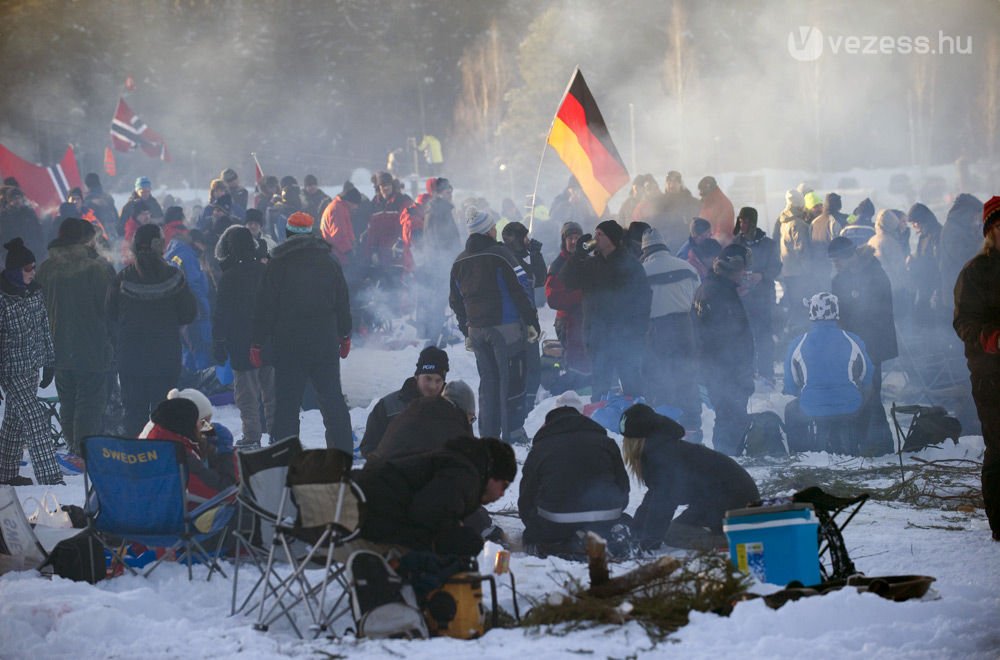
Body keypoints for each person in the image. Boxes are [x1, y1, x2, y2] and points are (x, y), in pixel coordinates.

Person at [251, 211, 353, 454]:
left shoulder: (277, 264)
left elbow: (265, 307)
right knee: (332, 400)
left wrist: (256, 342)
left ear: (287, 234)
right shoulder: (329, 261)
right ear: (311, 233)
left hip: (289, 346)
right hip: (324, 343)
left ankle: (283, 456)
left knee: (286, 404)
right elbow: (342, 302)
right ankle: (342, 454)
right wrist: (345, 334)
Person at [449, 210, 539, 445]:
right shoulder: (501, 254)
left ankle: (488, 435)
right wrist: (532, 321)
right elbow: (521, 289)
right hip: (506, 328)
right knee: (513, 380)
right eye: (493, 227)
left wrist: (465, 328)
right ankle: (514, 434)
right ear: (489, 230)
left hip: (477, 331)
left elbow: (455, 300)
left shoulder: (459, 261)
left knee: (488, 383)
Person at [346, 437, 516, 558]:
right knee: (465, 543)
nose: (502, 494)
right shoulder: (465, 475)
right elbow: (426, 513)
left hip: (347, 510)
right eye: (504, 486)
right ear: (492, 476)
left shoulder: (454, 463)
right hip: (366, 521)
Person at [620, 403, 760, 550]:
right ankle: (725, 533)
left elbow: (663, 503)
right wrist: (636, 531)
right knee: (675, 530)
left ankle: (732, 540)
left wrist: (647, 543)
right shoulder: (661, 449)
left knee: (675, 534)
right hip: (716, 501)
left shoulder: (664, 456)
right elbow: (654, 497)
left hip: (734, 503)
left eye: (627, 439)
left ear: (637, 440)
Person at [108, 224, 197, 436]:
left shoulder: (122, 279)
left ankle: (135, 461)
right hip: (165, 357)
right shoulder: (175, 277)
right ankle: (160, 458)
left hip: (131, 357)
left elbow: (110, 314)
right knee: (164, 413)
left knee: (133, 412)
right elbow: (189, 314)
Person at [35, 218, 114, 456]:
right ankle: (83, 450)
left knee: (68, 400)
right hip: (92, 346)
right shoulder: (96, 268)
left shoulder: (46, 268)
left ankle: (72, 447)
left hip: (57, 346)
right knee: (89, 402)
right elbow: (110, 309)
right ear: (83, 239)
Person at [519, 406, 630, 557]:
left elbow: (526, 497)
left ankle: (564, 545)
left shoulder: (540, 449)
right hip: (605, 520)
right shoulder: (606, 443)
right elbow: (623, 486)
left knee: (537, 534)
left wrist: (534, 526)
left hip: (555, 524)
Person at [559, 219, 652, 401]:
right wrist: (578, 255)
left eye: (600, 234)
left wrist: (639, 331)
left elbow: (643, 299)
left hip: (625, 337)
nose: (595, 238)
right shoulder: (591, 264)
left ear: (612, 239)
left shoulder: (630, 265)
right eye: (595, 234)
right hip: (598, 337)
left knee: (631, 385)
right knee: (600, 388)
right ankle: (601, 423)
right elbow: (566, 281)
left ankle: (636, 420)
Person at [952, 195, 1000, 541]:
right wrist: (992, 339)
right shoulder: (975, 272)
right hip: (991, 373)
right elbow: (963, 323)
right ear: (991, 231)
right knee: (999, 445)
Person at [828, 237, 897, 455]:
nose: (835, 264)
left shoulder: (874, 271)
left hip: (872, 343)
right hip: (851, 344)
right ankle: (863, 440)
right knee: (857, 391)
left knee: (871, 392)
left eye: (837, 259)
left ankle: (880, 444)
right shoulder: (839, 279)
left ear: (850, 256)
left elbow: (882, 306)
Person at [0, 238, 61, 485]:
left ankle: (6, 472)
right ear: (15, 271)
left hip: (32, 366)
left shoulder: (35, 292)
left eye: (34, 267)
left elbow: (43, 328)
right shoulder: (3, 299)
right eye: (28, 269)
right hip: (11, 370)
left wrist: (49, 361)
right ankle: (50, 476)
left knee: (14, 421)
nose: (33, 272)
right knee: (35, 418)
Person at [783, 292, 874, 454]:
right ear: (836, 313)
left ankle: (799, 453)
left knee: (791, 410)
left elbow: (791, 384)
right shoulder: (853, 339)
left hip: (811, 407)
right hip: (850, 405)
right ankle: (860, 445)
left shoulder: (798, 343)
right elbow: (867, 375)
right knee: (868, 401)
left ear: (811, 313)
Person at [213, 225, 275, 449]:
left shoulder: (229, 277)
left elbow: (221, 314)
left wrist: (218, 342)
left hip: (241, 344)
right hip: (269, 341)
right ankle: (278, 434)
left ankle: (252, 436)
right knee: (272, 393)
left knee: (247, 395)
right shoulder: (265, 271)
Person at [691, 245, 753, 456]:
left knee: (727, 416)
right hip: (726, 371)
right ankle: (728, 459)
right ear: (732, 268)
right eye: (743, 268)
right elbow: (727, 339)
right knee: (731, 417)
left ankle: (727, 458)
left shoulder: (711, 288)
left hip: (717, 369)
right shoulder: (719, 294)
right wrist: (742, 374)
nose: (746, 274)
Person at [639, 228, 701, 436]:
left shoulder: (641, 272)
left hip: (654, 330)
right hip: (684, 327)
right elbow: (696, 296)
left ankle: (663, 424)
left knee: (658, 376)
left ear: (645, 250)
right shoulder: (687, 268)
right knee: (687, 374)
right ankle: (692, 423)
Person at [140, 396, 236, 508]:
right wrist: (225, 453)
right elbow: (228, 494)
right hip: (177, 519)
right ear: (188, 422)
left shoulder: (153, 436)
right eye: (203, 423)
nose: (208, 428)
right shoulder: (179, 455)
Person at [360, 346, 450, 458]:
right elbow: (369, 446)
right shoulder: (388, 407)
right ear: (417, 376)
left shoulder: (452, 409)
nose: (432, 386)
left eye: (438, 381)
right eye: (428, 378)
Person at [367, 380, 475, 464]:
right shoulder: (447, 427)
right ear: (460, 411)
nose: (470, 424)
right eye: (471, 419)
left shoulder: (419, 411)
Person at [733, 206, 782, 383]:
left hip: (763, 296)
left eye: (745, 221)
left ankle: (766, 373)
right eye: (740, 221)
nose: (742, 224)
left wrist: (761, 276)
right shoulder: (735, 244)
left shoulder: (768, 244)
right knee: (745, 336)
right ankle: (748, 372)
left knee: (764, 335)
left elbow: (776, 266)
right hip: (742, 297)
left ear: (752, 222)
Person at [501, 221, 547, 407]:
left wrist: (536, 255)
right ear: (515, 240)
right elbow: (534, 279)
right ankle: (521, 407)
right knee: (524, 368)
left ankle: (525, 404)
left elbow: (539, 279)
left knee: (530, 367)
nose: (528, 241)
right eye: (524, 238)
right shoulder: (509, 263)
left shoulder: (514, 260)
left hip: (524, 322)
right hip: (518, 324)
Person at [163, 207, 213, 373]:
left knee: (187, 350)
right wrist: (205, 309)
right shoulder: (189, 256)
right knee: (200, 349)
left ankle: (188, 383)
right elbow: (194, 284)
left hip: (176, 311)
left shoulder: (171, 252)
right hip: (194, 312)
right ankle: (201, 385)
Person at [545, 221, 590, 382]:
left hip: (587, 320)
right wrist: (582, 295)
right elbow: (553, 299)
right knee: (576, 366)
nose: (573, 242)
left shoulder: (588, 260)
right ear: (564, 241)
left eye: (577, 237)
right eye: (570, 238)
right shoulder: (558, 266)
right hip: (568, 323)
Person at [940, 193, 984, 310]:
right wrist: (983, 243)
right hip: (959, 292)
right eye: (976, 216)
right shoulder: (953, 231)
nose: (978, 220)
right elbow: (965, 258)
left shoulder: (962, 228)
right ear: (968, 214)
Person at [906, 202, 944, 323]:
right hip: (925, 286)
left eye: (915, 222)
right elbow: (923, 255)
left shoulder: (937, 236)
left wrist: (936, 291)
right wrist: (913, 258)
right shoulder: (925, 235)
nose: (914, 226)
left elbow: (938, 264)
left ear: (923, 221)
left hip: (933, 288)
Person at [0, 186, 44, 262]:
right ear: (9, 200)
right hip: (13, 253)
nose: (17, 200)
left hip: (31, 250)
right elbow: (3, 236)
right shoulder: (4, 216)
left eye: (18, 198)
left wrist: (39, 248)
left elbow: (37, 231)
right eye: (14, 198)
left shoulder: (29, 213)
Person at [320, 184, 359, 267]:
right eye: (356, 204)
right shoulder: (338, 210)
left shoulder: (340, 207)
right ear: (350, 201)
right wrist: (349, 253)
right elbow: (339, 235)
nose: (356, 207)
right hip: (338, 258)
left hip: (338, 255)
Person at [696, 176, 735, 245]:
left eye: (703, 194)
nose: (701, 196)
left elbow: (723, 232)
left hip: (718, 246)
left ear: (710, 191)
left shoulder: (724, 204)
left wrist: (711, 246)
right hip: (706, 242)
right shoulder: (707, 203)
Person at [83, 172, 119, 239]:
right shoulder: (107, 197)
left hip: (99, 236)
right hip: (113, 233)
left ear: (87, 185)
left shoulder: (87, 201)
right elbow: (116, 216)